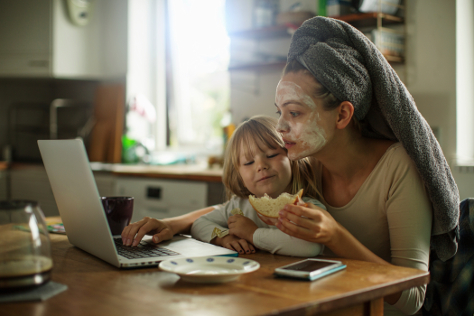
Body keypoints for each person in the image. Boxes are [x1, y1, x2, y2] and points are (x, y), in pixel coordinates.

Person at [122, 16, 460, 316]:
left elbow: (412, 296)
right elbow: (233, 209)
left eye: (294, 113)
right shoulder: (304, 165)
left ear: (342, 114)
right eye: (279, 111)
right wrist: (172, 224)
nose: (280, 128)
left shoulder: (397, 168)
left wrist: (335, 235)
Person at [190, 115, 324, 257]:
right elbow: (199, 224)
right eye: (248, 162)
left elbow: (309, 247)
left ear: (291, 158)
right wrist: (223, 237)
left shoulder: (306, 207)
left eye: (272, 155)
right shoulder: (239, 206)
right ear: (238, 175)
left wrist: (252, 234)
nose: (261, 166)